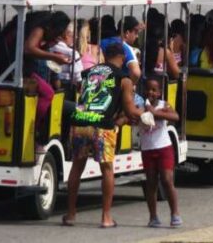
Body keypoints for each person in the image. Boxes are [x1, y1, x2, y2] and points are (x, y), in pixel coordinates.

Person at [64, 43, 143, 228]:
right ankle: (106, 217)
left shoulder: (88, 73)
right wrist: (146, 114)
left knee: (77, 167)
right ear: (123, 58)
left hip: (80, 122)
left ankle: (70, 214)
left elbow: (85, 96)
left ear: (105, 56)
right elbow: (130, 111)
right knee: (107, 169)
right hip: (102, 127)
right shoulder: (124, 79)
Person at [140, 77, 182, 228]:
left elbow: (175, 116)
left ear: (159, 93)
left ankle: (175, 214)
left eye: (154, 90)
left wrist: (156, 113)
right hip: (147, 149)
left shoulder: (164, 105)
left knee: (166, 180)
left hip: (164, 148)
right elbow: (129, 116)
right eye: (148, 89)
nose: (150, 92)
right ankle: (153, 217)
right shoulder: (140, 105)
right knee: (151, 183)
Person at [100, 15, 142, 82]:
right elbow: (136, 72)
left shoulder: (101, 42)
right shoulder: (125, 47)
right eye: (135, 32)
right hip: (118, 86)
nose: (137, 36)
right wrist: (130, 85)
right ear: (127, 33)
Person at [50, 21, 85, 86]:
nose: (76, 37)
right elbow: (77, 73)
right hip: (68, 84)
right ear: (67, 35)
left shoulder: (49, 49)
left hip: (51, 82)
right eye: (74, 34)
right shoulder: (72, 53)